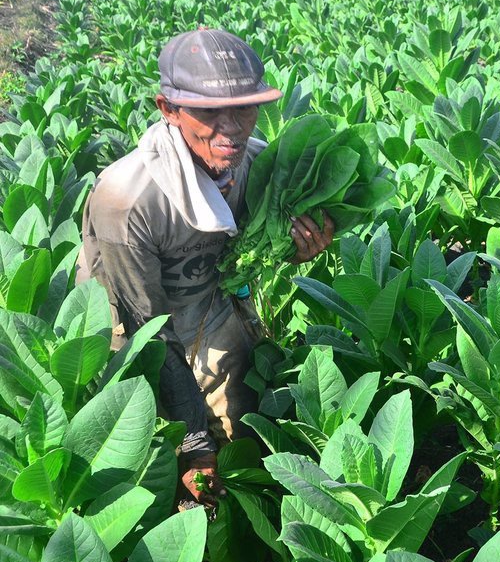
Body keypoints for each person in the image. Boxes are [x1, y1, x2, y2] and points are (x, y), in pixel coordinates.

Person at [76, 29, 335, 508]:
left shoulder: (256, 165)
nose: (232, 127)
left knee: (245, 437)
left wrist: (297, 250)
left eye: (245, 108)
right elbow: (142, 330)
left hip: (211, 304)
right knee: (157, 457)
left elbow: (251, 251)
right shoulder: (128, 199)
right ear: (168, 109)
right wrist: (193, 439)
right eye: (208, 111)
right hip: (131, 326)